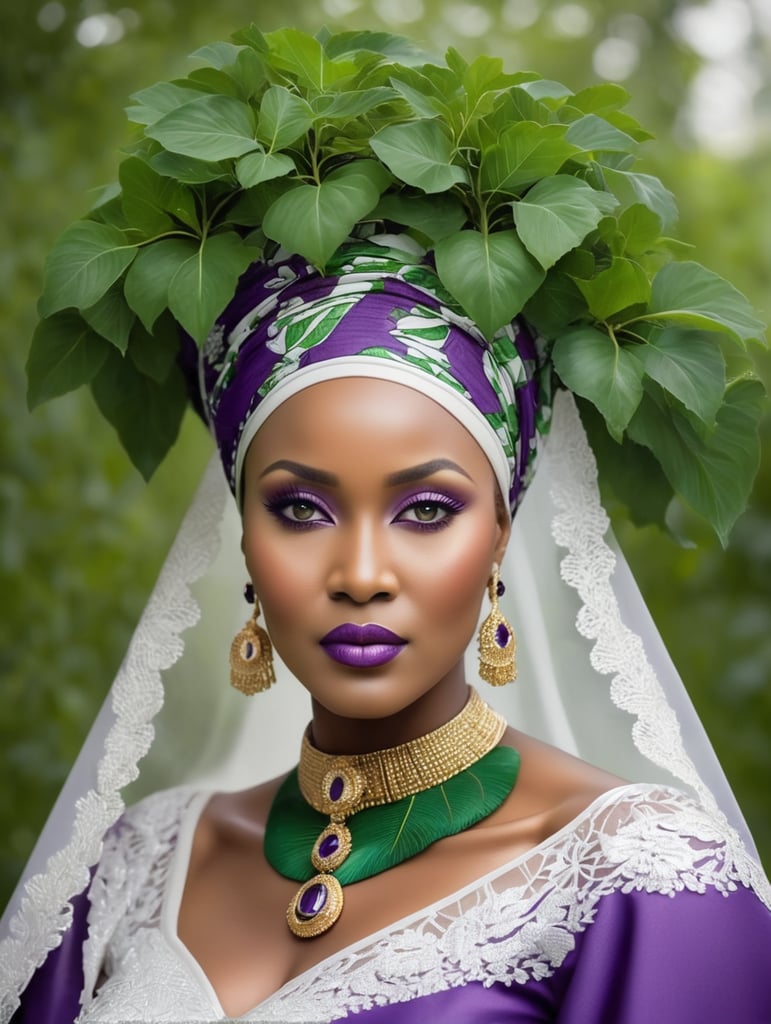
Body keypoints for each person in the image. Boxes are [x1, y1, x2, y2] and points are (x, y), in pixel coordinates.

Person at [3, 25, 771, 1024]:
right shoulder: (127, 867)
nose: (361, 570)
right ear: (243, 533)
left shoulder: (647, 888)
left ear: (500, 536)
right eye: (300, 508)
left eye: (425, 510)